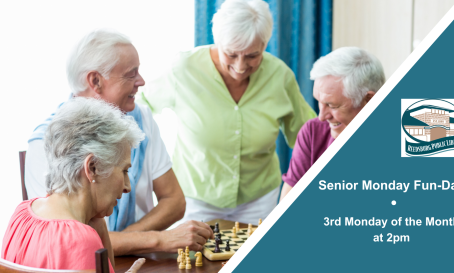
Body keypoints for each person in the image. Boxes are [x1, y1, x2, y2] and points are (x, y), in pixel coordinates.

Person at [24, 29, 213, 255]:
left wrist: (124, 240)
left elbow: (174, 201)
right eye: (131, 74)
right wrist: (155, 239)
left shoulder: (141, 119)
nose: (141, 81)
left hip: (141, 261)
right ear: (95, 80)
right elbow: (65, 241)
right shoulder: (45, 142)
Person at [137, 0, 316, 224]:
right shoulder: (184, 69)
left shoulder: (280, 76)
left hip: (259, 200)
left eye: (252, 55)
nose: (241, 66)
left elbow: (309, 135)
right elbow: (138, 108)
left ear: (265, 44)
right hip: (196, 199)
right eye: (231, 54)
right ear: (217, 41)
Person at [2, 98, 146, 271]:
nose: (127, 186)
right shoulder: (82, 241)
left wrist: (99, 225)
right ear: (92, 167)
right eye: (124, 171)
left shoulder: (21, 215)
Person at [280, 47, 386, 201]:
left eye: (333, 105)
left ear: (368, 100)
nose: (322, 117)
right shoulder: (312, 131)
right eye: (319, 102)